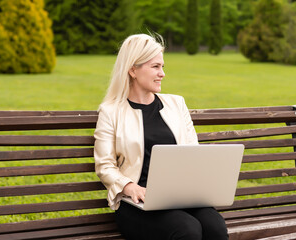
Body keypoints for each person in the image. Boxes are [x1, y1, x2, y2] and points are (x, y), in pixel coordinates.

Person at [94, 33, 229, 240]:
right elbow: (105, 165)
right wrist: (129, 186)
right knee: (187, 230)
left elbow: (194, 152)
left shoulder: (177, 104)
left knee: (216, 227)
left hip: (180, 197)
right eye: (155, 67)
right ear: (133, 70)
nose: (162, 74)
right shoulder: (111, 112)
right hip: (136, 203)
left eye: (162, 66)